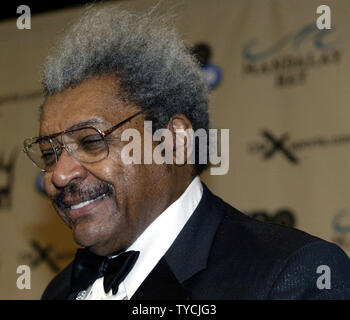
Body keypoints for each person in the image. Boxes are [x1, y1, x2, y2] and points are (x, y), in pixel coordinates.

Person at [24, 5, 350, 300]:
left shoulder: (292, 275)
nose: (59, 174)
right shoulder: (60, 290)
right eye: (50, 154)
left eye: (91, 141)